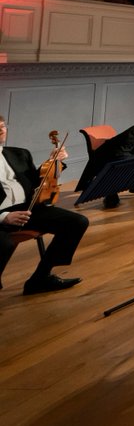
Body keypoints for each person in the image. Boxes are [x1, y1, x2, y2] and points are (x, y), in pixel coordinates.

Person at [0, 116, 89, 294]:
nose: (1, 131)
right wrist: (4, 217)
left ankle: (40, 278)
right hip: (2, 215)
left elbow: (36, 181)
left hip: (27, 208)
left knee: (77, 222)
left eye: (2, 126)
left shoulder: (19, 153)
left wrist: (54, 162)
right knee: (4, 244)